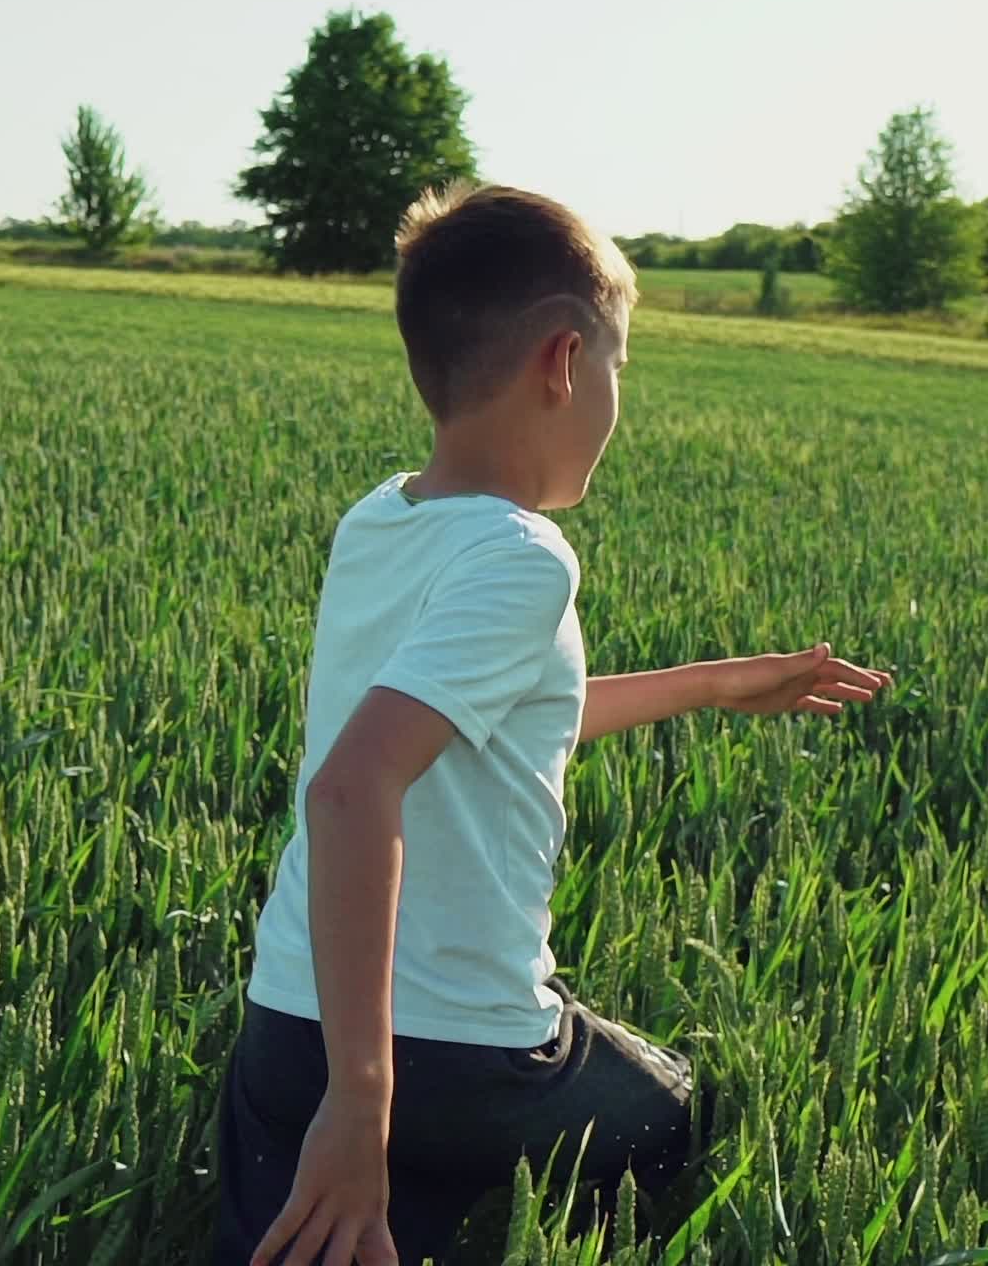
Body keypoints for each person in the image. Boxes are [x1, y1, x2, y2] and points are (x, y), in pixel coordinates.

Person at [211, 181, 892, 1266]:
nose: (617, 397)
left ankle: (393, 1188)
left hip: (284, 1030)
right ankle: (404, 1160)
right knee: (675, 1111)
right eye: (620, 368)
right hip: (446, 1063)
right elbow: (352, 784)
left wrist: (714, 681)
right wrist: (364, 1099)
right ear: (563, 361)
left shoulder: (378, 517)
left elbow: (492, 724)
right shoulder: (523, 555)